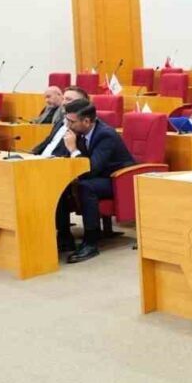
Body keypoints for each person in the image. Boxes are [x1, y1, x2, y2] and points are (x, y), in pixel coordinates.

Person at [54, 100, 136, 263]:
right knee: (60, 182)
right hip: (97, 176)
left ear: (86, 121)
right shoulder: (78, 132)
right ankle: (64, 236)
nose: (67, 125)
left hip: (117, 180)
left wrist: (73, 150)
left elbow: (91, 169)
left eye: (71, 121)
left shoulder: (106, 135)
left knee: (86, 187)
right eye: (66, 120)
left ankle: (91, 242)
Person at [31, 86, 89, 156]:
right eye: (63, 99)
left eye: (68, 99)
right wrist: (30, 155)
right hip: (39, 160)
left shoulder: (83, 127)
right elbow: (48, 141)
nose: (63, 103)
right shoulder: (61, 122)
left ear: (82, 103)